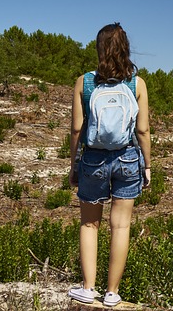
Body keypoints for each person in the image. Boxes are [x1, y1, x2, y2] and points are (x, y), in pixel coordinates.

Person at [67, 23, 151, 307]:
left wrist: (73, 165)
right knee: (121, 226)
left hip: (92, 159)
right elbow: (143, 131)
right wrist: (147, 165)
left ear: (99, 48)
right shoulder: (137, 84)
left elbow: (77, 129)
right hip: (127, 158)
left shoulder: (84, 82)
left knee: (90, 224)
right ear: (126, 48)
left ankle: (88, 288)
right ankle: (112, 293)